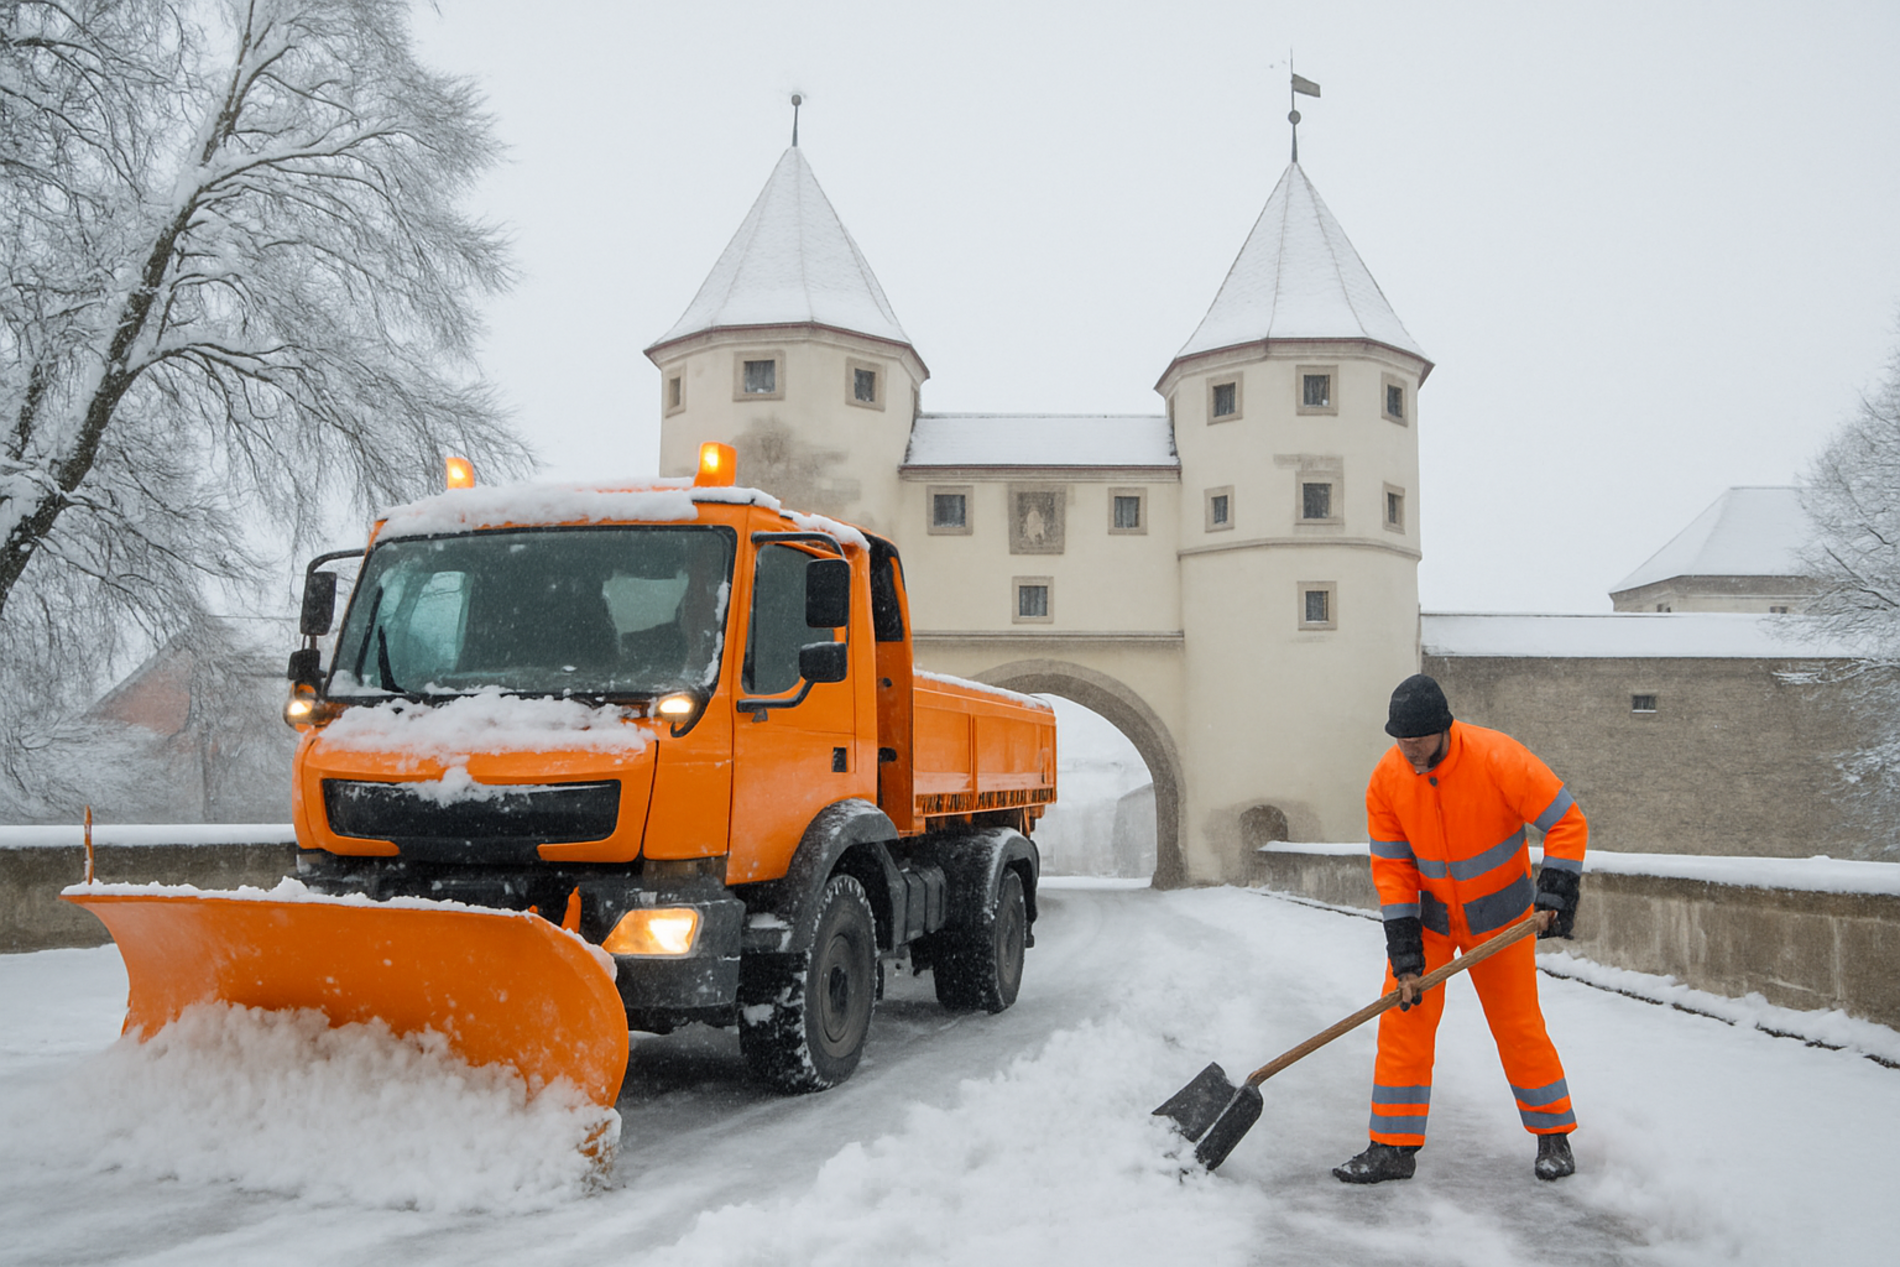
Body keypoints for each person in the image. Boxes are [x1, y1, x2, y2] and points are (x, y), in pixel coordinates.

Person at [1333, 674, 1585, 1185]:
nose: (1411, 750)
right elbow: (1394, 873)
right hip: (1430, 924)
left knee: (1518, 1027)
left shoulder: (1498, 758)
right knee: (1403, 1024)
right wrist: (1406, 957)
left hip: (1502, 921)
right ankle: (1392, 1148)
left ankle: (1553, 1136)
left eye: (1420, 740)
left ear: (1445, 729)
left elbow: (1567, 821)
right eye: (1402, 741)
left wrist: (1553, 896)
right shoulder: (1387, 781)